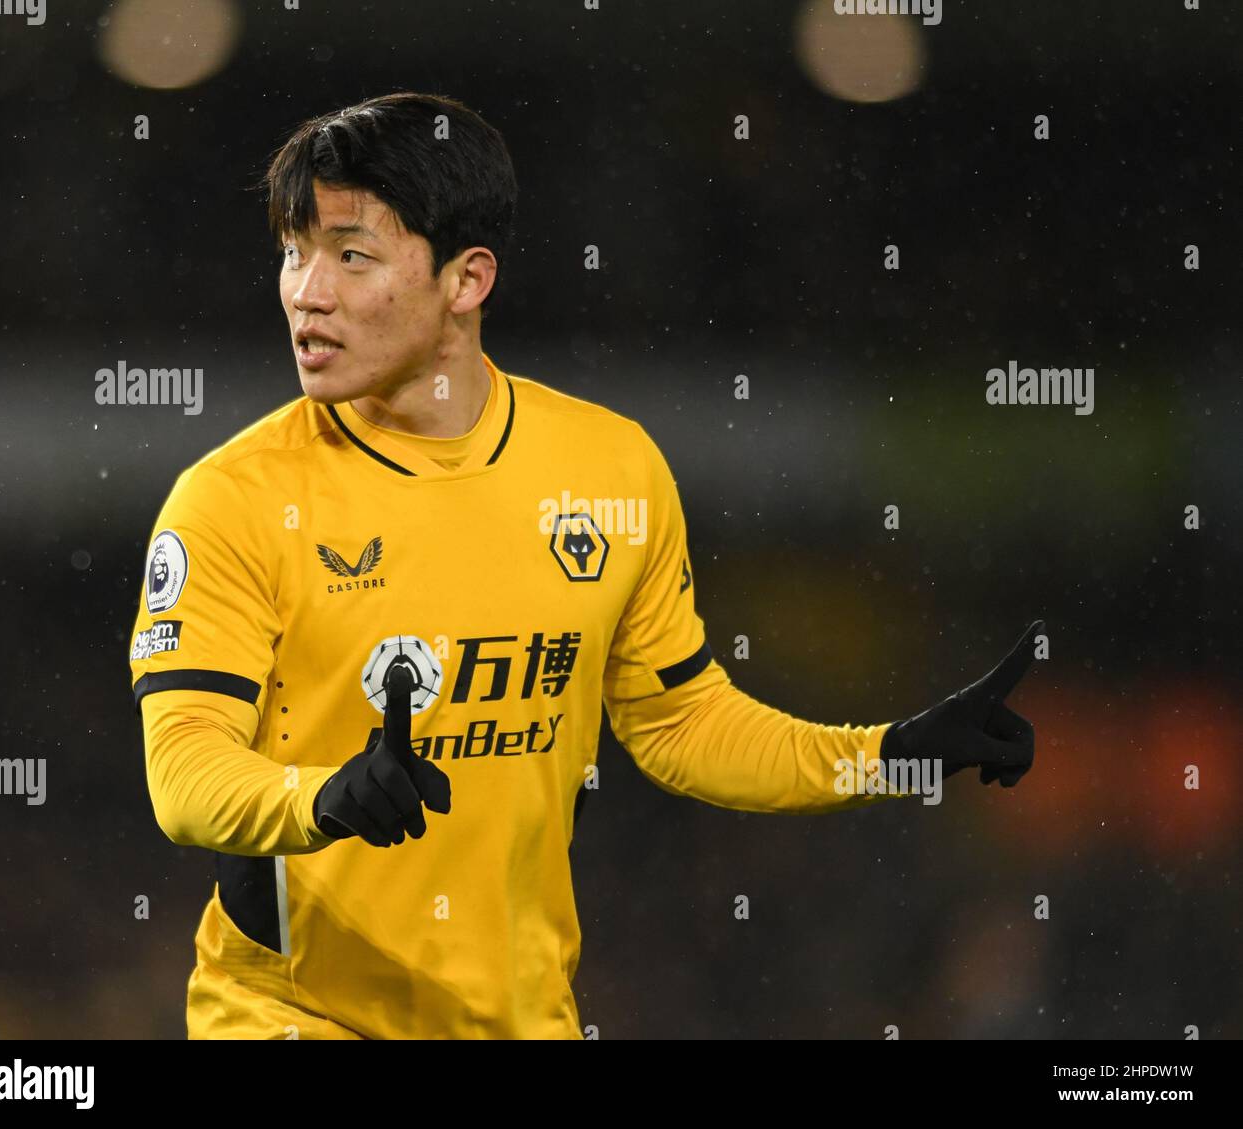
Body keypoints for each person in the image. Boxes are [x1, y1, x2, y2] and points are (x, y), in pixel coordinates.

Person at [127, 91, 1041, 1039]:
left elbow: (681, 722)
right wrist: (318, 798)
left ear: (466, 280)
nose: (305, 291)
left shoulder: (609, 471)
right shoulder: (231, 500)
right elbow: (184, 773)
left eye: (350, 254)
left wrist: (887, 757)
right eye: (292, 251)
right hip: (287, 1014)